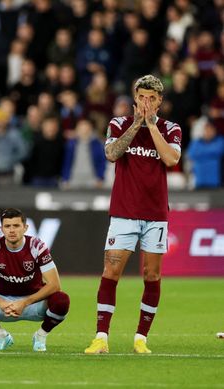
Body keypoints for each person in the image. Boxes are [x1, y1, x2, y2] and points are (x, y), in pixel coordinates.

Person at [84, 75, 182, 355]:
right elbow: (112, 153)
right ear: (134, 97)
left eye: (152, 98)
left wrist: (151, 126)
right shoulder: (119, 123)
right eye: (141, 97)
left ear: (160, 101)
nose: (146, 102)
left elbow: (171, 159)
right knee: (111, 272)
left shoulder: (170, 128)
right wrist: (138, 122)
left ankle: (141, 338)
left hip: (155, 215)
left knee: (152, 274)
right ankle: (101, 337)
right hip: (124, 212)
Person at [0, 208, 70, 352]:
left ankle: (40, 336)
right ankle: (0, 335)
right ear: (1, 229)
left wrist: (24, 303)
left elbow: (55, 285)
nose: (11, 230)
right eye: (7, 226)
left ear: (25, 227)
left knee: (62, 300)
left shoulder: (37, 246)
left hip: (33, 303)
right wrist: (1, 302)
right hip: (4, 304)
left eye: (16, 226)